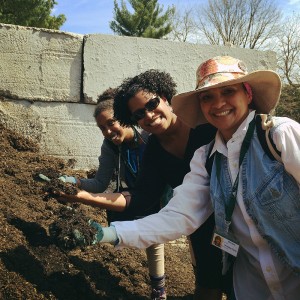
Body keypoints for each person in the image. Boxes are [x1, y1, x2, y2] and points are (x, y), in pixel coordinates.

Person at [78, 56, 300, 300]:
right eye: (207, 97)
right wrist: (110, 233)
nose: (218, 103)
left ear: (248, 94)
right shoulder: (205, 157)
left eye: (228, 91)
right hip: (251, 285)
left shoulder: (279, 136)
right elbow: (178, 215)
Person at [57, 70, 224, 299]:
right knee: (208, 285)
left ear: (165, 97)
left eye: (152, 103)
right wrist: (81, 196)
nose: (149, 115)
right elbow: (141, 198)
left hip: (240, 219)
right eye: (138, 114)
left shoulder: (205, 127)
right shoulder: (154, 150)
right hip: (198, 222)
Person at [57, 88, 167, 300]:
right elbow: (99, 183)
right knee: (152, 237)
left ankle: (160, 289)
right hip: (138, 194)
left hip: (164, 193)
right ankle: (159, 290)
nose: (107, 132)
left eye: (111, 123)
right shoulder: (111, 146)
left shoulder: (149, 138)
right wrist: (73, 181)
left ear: (124, 120)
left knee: (157, 236)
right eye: (101, 128)